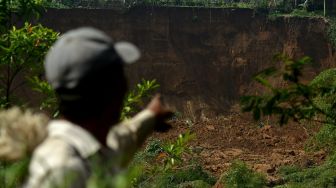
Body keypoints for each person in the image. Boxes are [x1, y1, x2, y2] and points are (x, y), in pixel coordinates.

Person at [24, 27, 170, 188]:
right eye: (121, 76)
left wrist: (151, 115)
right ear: (111, 88)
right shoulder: (64, 169)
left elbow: (123, 139)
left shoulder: (90, 146)